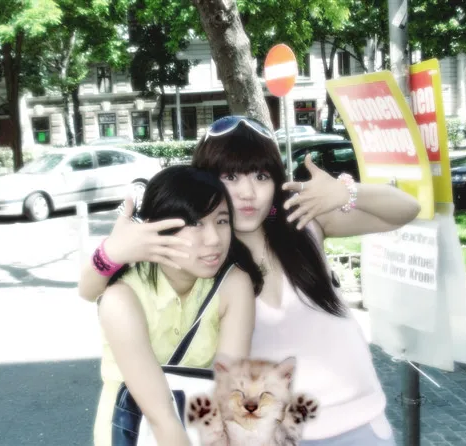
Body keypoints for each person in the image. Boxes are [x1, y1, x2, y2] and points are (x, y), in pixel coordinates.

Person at [79, 116, 421, 446]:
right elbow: (96, 292)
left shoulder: (303, 224)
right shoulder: (206, 260)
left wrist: (347, 192)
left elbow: (406, 209)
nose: (248, 192)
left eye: (261, 176)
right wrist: (111, 252)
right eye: (230, 176)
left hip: (359, 422)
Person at [91, 165, 263, 446]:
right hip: (132, 430)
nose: (214, 239)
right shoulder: (122, 298)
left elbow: (229, 390)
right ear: (156, 229)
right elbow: (161, 417)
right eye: (195, 223)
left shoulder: (233, 285)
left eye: (221, 221)